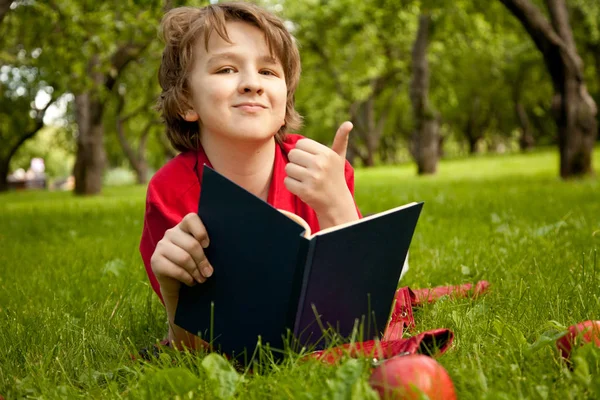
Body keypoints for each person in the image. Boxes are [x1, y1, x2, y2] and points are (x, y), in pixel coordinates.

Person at [139, 2, 362, 350]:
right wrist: (173, 291)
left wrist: (337, 208)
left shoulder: (321, 171)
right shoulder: (170, 193)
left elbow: (362, 308)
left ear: (285, 95)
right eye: (226, 69)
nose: (251, 84)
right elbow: (199, 347)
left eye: (269, 71)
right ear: (186, 101)